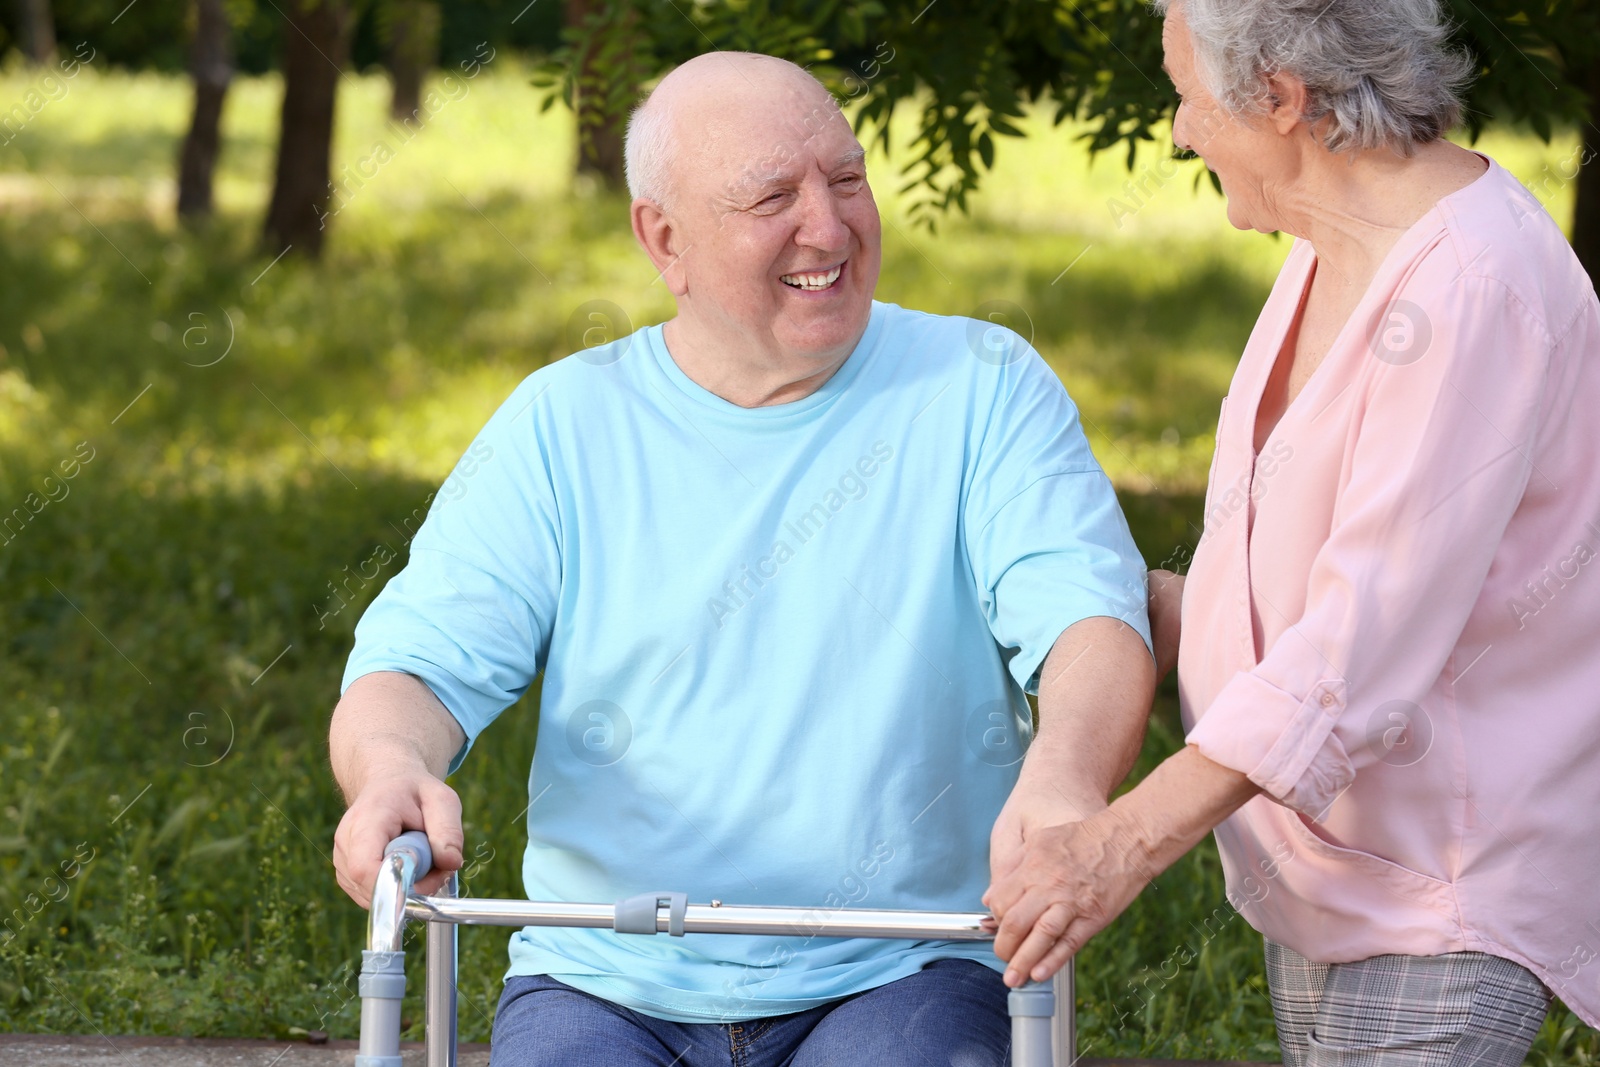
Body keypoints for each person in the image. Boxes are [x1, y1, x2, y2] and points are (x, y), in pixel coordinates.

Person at [329, 52, 1155, 1066]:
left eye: (846, 180)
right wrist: (388, 765)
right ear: (662, 236)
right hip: (605, 972)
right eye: (774, 196)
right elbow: (415, 663)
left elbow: (1091, 622)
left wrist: (1066, 777)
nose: (829, 225)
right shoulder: (565, 421)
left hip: (899, 969)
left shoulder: (981, 386)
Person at [985, 0, 1600, 1062]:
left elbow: (1353, 649)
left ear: (1278, 97)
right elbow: (1293, 554)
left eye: (1183, 94)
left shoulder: (1468, 288)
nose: (1178, 131)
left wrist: (1120, 841)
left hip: (1435, 888)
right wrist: (1107, 603)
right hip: (1319, 873)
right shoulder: (1339, 240)